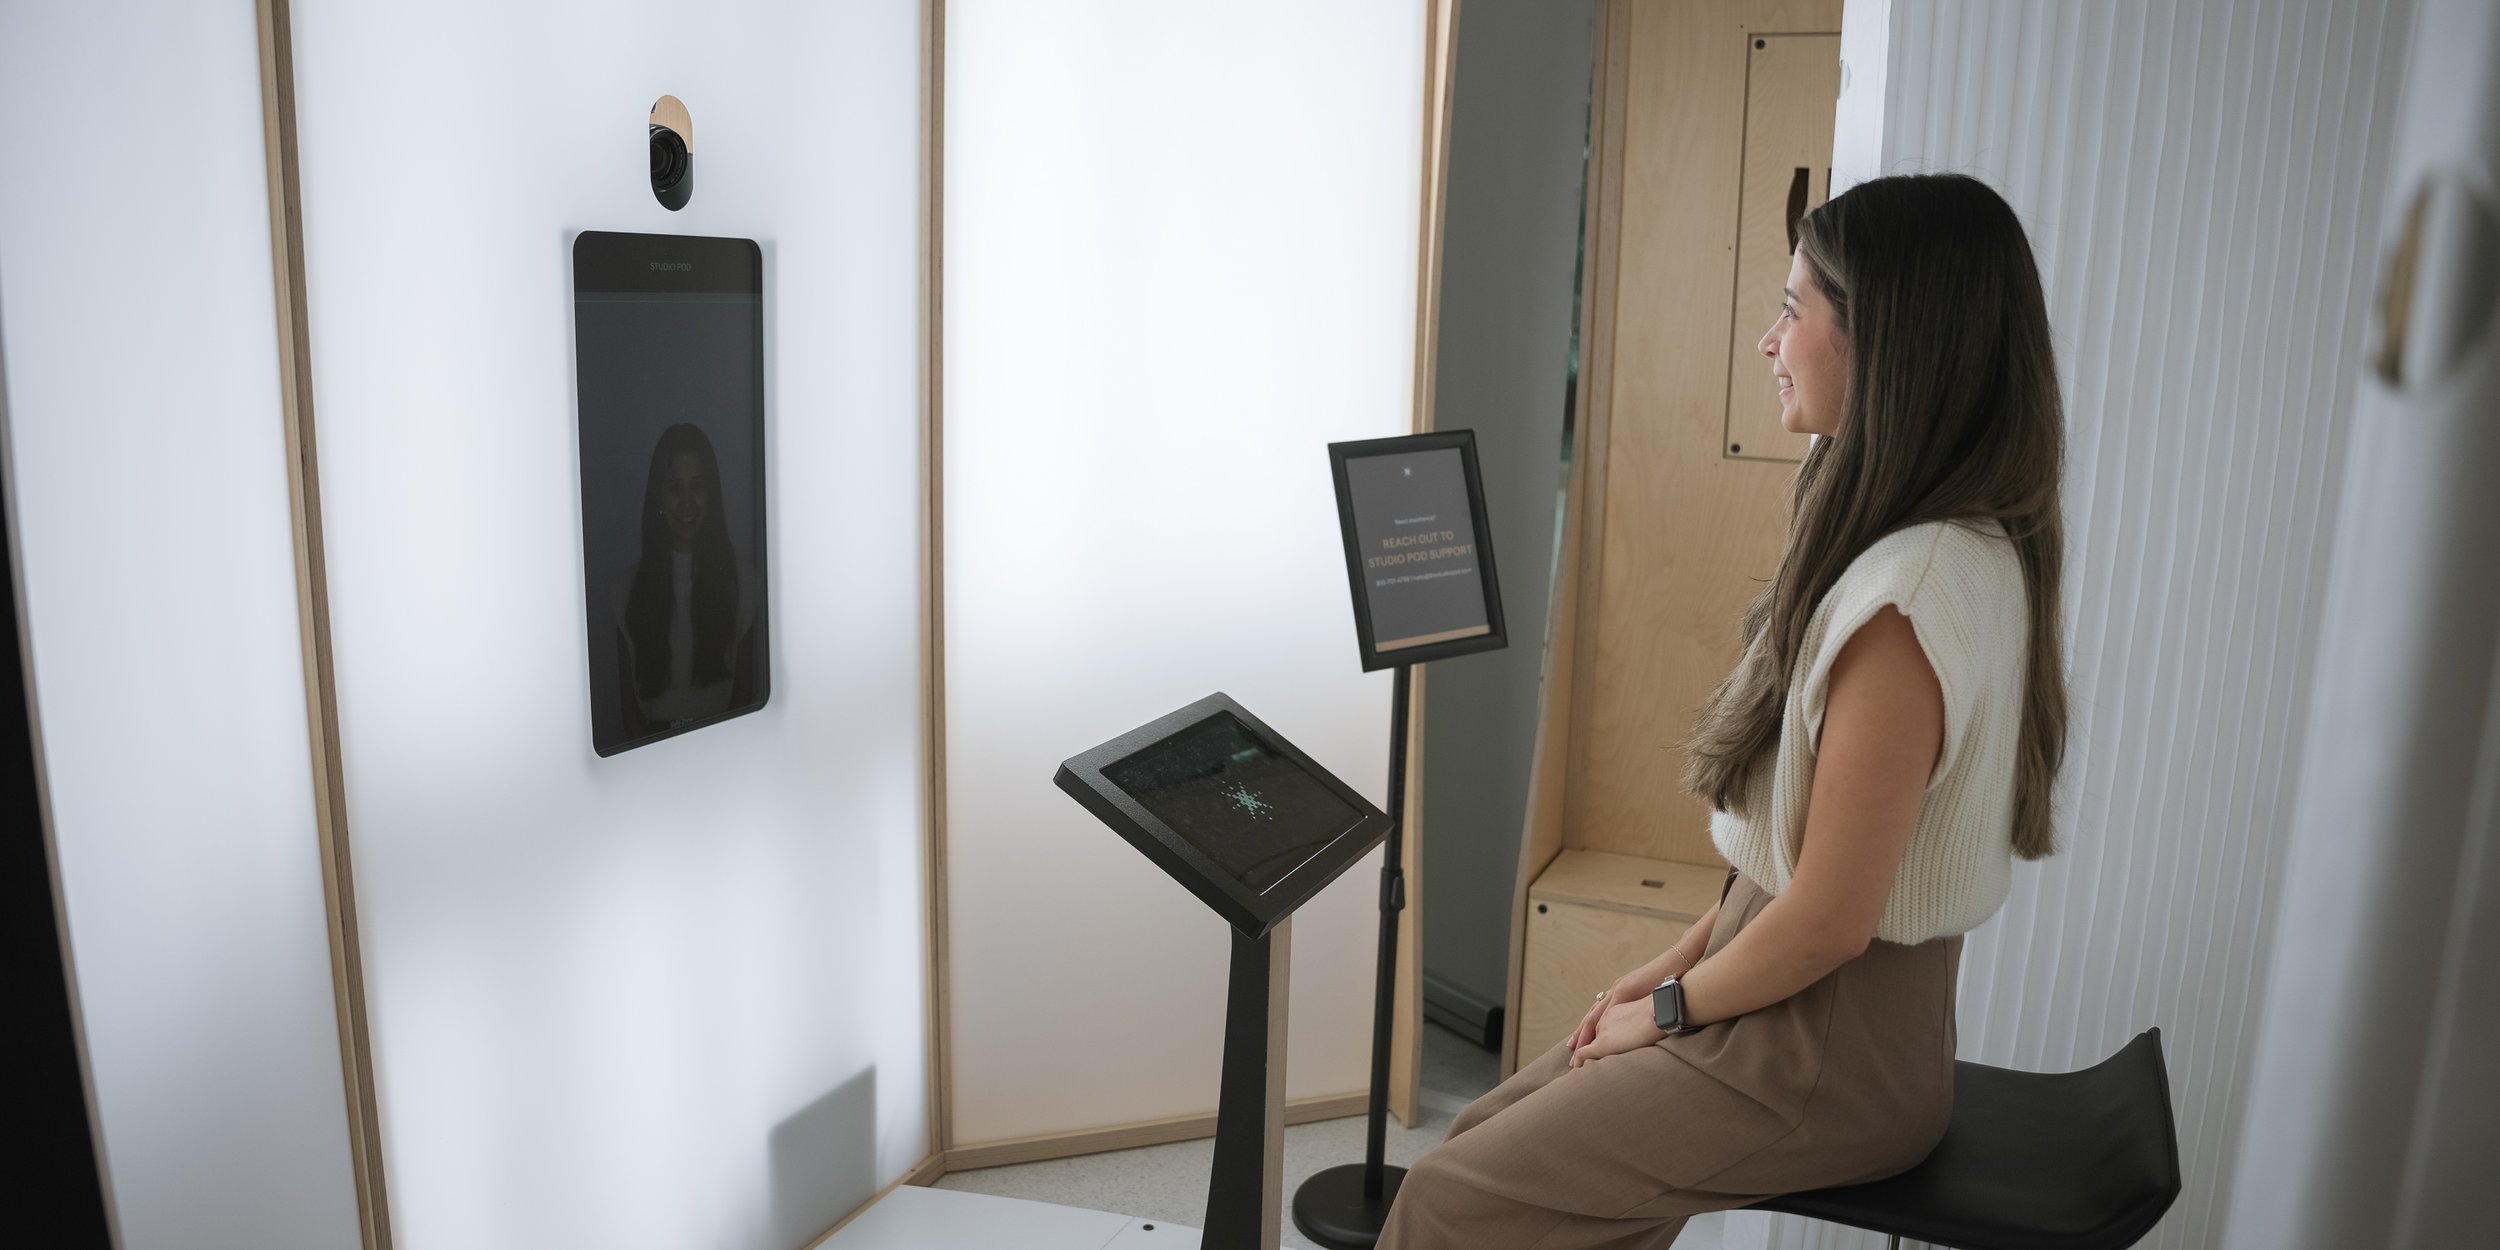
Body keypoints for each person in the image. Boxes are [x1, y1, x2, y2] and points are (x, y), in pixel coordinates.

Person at [1377, 172, 2069, 1248]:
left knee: (1453, 1202)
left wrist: (1668, 1011)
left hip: (1818, 1055)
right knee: (1479, 1138)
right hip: (1781, 1000)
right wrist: (1666, 971)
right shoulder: (1934, 549)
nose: (1768, 339)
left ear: (1884, 343)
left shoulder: (1907, 599)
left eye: (1794, 309)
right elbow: (1791, 881)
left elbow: (1830, 920)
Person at [614, 422, 758, 740]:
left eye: (698, 485)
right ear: (659, 497)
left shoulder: (744, 582)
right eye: (675, 487)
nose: (688, 501)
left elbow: (744, 694)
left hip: (723, 753)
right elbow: (629, 711)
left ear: (712, 492)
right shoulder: (624, 590)